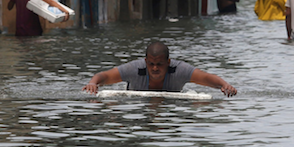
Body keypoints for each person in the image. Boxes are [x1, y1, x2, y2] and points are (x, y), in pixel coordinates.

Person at [82, 40, 237, 96]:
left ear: (168, 62)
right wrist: (93, 83)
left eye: (160, 64)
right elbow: (104, 76)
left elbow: (206, 77)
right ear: (145, 61)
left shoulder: (179, 70)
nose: (155, 68)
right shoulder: (135, 69)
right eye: (151, 64)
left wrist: (224, 85)